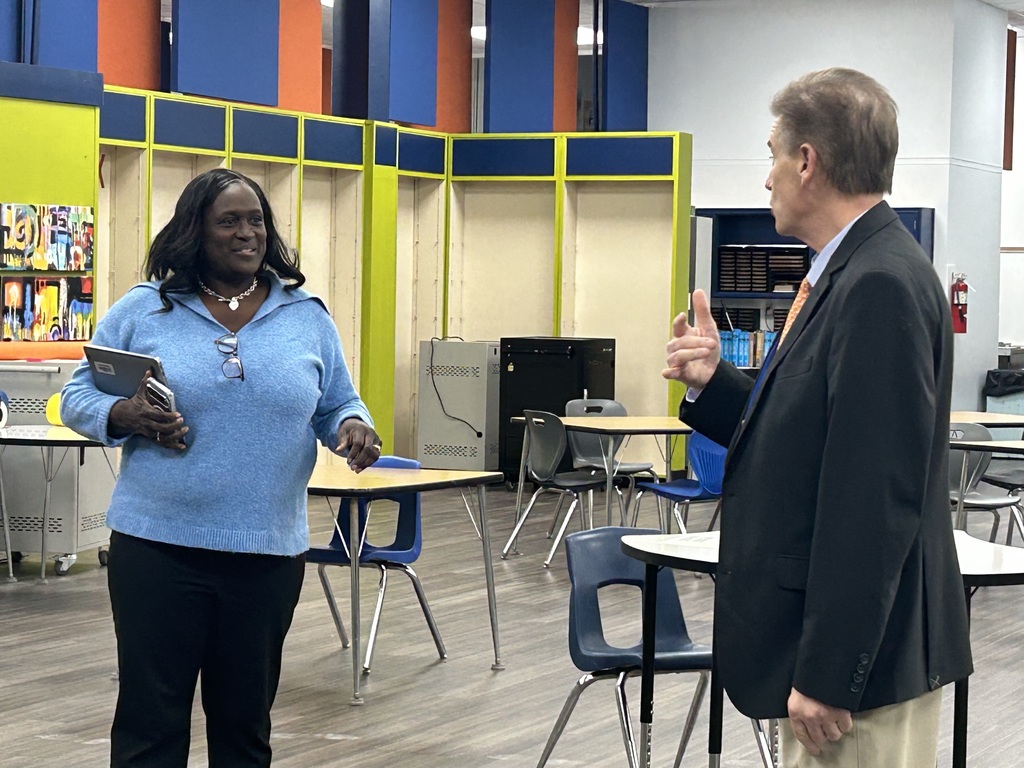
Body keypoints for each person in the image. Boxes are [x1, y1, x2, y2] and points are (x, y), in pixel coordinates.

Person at [664, 68, 972, 767]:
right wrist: (715, 381)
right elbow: (810, 439)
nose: (766, 179)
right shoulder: (848, 272)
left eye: (772, 155)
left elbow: (873, 498)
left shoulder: (877, 284)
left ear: (807, 161)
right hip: (842, 666)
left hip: (858, 683)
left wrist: (831, 672)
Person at [61, 168, 381, 767]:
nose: (246, 233)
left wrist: (352, 426)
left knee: (243, 728)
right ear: (196, 232)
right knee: (150, 726)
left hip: (265, 553)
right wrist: (125, 414)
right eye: (228, 221)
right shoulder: (145, 309)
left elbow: (338, 402)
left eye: (256, 220)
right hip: (157, 550)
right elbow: (78, 396)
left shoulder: (306, 315)